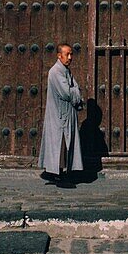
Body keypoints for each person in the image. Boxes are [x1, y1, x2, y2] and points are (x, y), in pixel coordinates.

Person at [40, 43, 83, 186]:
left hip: (65, 114)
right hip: (59, 115)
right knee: (59, 143)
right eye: (67, 54)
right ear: (59, 55)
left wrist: (74, 91)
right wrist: (75, 93)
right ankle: (56, 174)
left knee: (64, 144)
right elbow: (67, 93)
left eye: (71, 54)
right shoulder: (56, 72)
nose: (70, 57)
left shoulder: (66, 71)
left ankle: (60, 172)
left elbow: (75, 88)